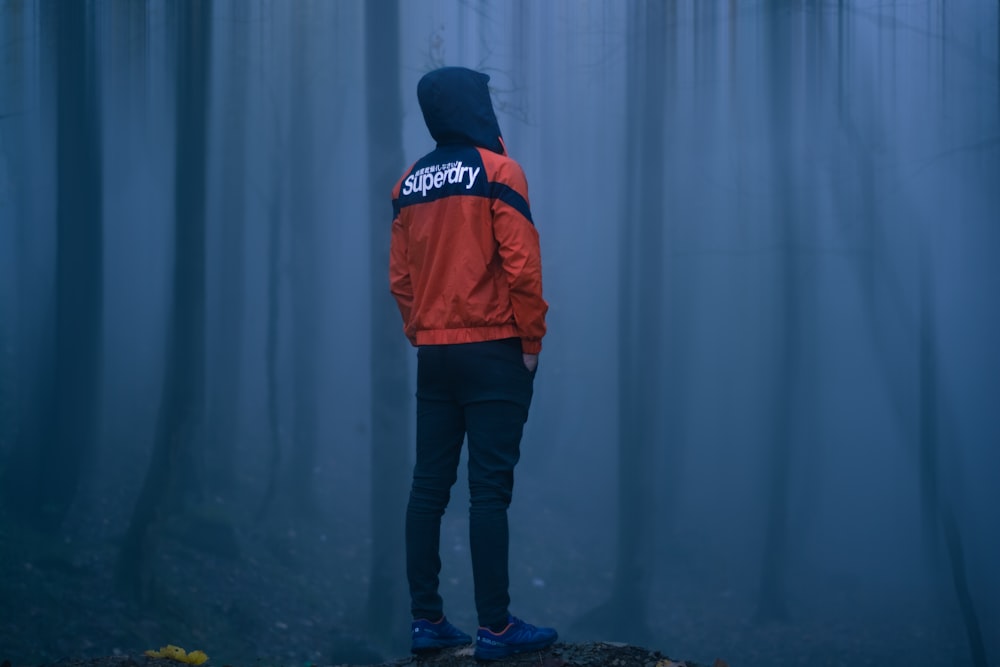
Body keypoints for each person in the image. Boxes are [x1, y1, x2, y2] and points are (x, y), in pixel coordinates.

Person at [389, 66, 558, 661]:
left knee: (427, 487)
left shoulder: (408, 184)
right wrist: (531, 341)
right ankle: (496, 628)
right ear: (473, 106)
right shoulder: (499, 172)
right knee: (489, 492)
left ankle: (426, 621)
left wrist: (423, 331)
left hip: (435, 356)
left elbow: (401, 280)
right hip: (495, 350)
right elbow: (522, 266)